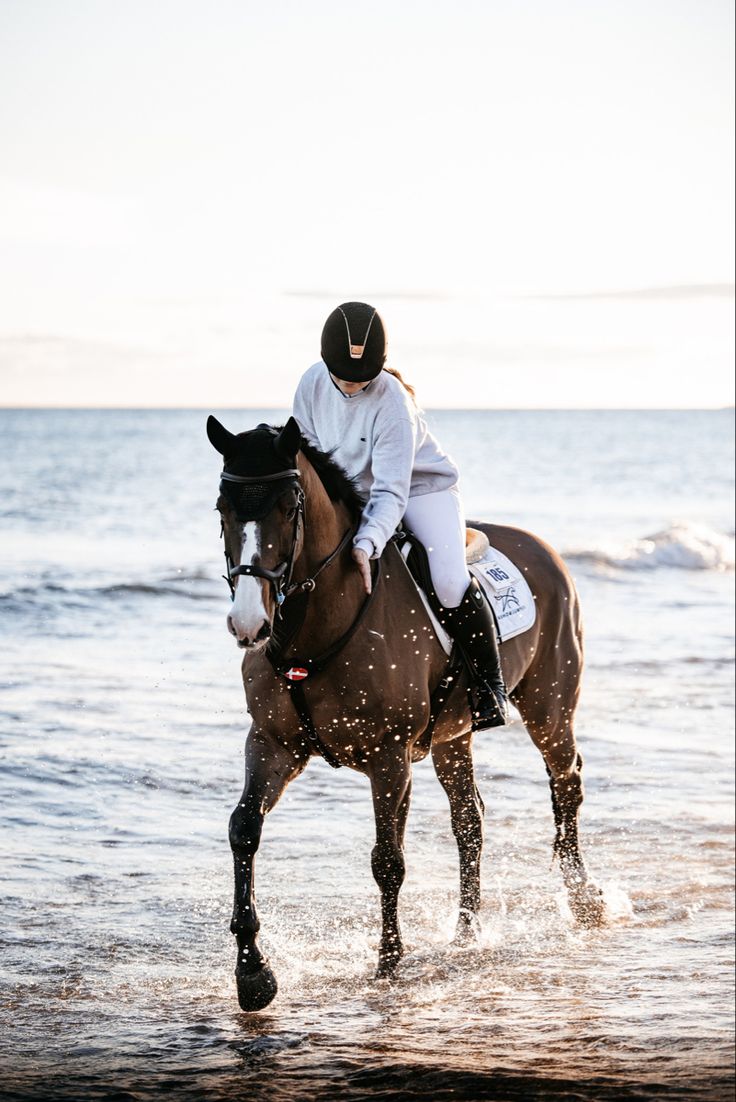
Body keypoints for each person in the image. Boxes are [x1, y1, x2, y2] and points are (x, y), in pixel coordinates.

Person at [292, 301, 508, 729]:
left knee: (447, 581)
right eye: (343, 377)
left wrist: (366, 543)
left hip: (421, 490)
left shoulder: (392, 400)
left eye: (362, 379)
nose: (352, 386)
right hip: (352, 488)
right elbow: (309, 458)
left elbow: (392, 490)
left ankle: (489, 686)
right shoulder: (311, 384)